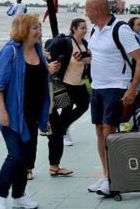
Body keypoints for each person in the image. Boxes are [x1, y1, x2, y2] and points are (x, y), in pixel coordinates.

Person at [0, 14, 58, 209]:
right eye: (35, 28)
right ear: (24, 30)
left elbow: (38, 78)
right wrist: (2, 111)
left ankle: (19, 195)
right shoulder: (10, 52)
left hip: (33, 115)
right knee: (16, 155)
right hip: (11, 115)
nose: (39, 31)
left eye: (39, 27)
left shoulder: (38, 50)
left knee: (26, 158)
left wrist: (49, 71)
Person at [85, 0, 140, 196]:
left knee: (108, 132)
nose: (86, 14)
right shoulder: (95, 30)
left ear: (96, 9)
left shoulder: (121, 29)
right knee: (99, 131)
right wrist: (86, 58)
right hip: (97, 87)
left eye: (87, 10)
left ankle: (114, 178)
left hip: (116, 87)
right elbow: (100, 55)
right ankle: (106, 175)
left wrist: (132, 88)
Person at [44, 18, 91, 177]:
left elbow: (87, 62)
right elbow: (50, 56)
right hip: (62, 86)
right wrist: (56, 64)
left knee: (84, 104)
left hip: (78, 84)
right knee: (55, 130)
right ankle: (40, 166)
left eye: (86, 27)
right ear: (73, 29)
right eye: (81, 27)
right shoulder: (65, 42)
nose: (84, 30)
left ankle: (63, 128)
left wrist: (87, 59)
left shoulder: (84, 43)